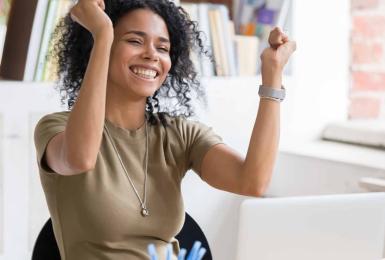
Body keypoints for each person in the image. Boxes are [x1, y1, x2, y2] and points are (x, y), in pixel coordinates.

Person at [33, 0, 296, 259]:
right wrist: (102, 35)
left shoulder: (178, 134)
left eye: (162, 47)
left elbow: (253, 182)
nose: (151, 55)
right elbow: (80, 158)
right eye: (134, 41)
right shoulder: (57, 128)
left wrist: (272, 76)